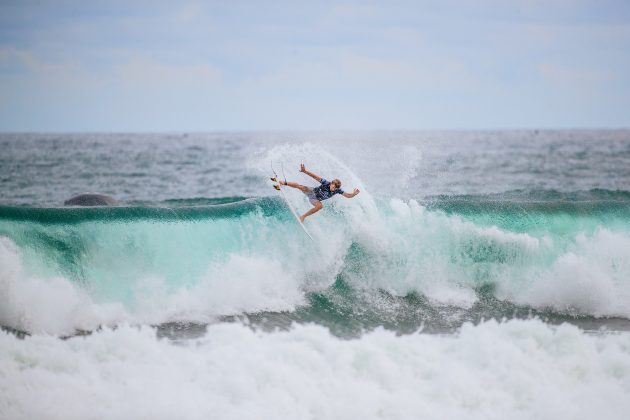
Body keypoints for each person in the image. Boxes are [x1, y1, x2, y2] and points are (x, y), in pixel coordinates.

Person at [272, 163, 360, 222]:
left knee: (320, 206)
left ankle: (303, 216)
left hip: (315, 199)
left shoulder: (338, 190)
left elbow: (348, 195)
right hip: (312, 191)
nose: (332, 188)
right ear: (331, 183)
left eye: (334, 188)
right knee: (301, 186)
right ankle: (281, 183)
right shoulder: (326, 182)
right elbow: (314, 176)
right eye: (332, 186)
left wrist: (353, 194)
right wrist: (304, 171)